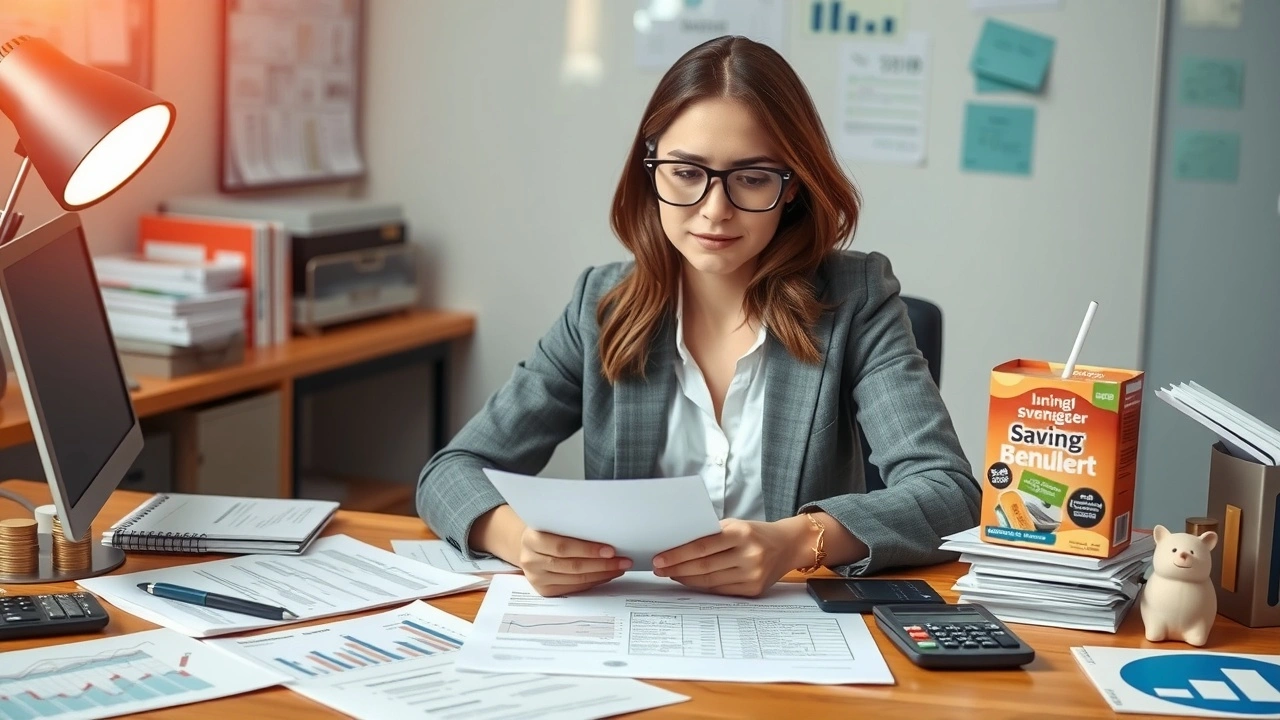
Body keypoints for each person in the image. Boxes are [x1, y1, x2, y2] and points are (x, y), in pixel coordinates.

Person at [418, 35, 979, 598]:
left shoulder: (856, 298)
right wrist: (518, 540)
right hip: (631, 629)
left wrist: (794, 542)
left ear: (793, 188)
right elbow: (452, 470)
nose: (715, 210)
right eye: (686, 173)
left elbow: (949, 491)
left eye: (752, 177)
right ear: (651, 172)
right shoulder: (601, 304)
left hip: (792, 632)